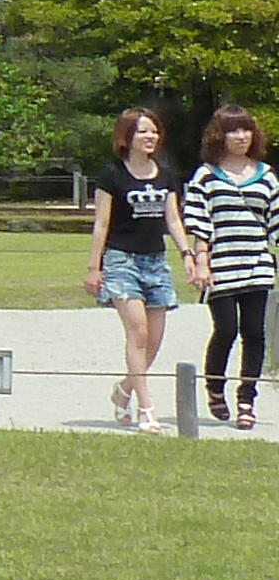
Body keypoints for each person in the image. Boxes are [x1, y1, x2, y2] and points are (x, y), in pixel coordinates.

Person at [87, 105, 198, 430]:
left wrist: (187, 254)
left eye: (154, 131)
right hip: (121, 260)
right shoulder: (112, 175)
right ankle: (146, 409)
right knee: (138, 332)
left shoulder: (165, 174)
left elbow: (173, 219)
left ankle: (124, 390)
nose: (150, 137)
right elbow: (101, 224)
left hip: (155, 262)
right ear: (127, 136)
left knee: (154, 340)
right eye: (142, 131)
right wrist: (94, 268)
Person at [184, 105, 279, 431]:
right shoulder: (206, 176)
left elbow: (275, 223)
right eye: (233, 130)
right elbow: (199, 222)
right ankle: (214, 387)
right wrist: (200, 261)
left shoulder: (266, 175)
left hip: (257, 265)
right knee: (225, 329)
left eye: (246, 129)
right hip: (221, 267)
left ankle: (246, 400)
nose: (241, 136)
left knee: (255, 334)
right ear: (219, 135)